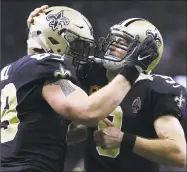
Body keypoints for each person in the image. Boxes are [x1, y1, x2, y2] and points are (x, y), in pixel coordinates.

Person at [0, 6, 158, 172]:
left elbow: (49, 132)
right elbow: (88, 112)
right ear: (54, 39)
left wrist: (37, 29)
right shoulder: (49, 65)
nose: (79, 53)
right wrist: (132, 69)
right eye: (76, 45)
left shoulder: (13, 71)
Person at [83, 18, 187, 172]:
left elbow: (179, 154)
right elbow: (57, 77)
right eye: (113, 39)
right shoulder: (93, 72)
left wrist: (124, 139)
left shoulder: (155, 89)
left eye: (123, 42)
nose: (112, 45)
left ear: (145, 53)